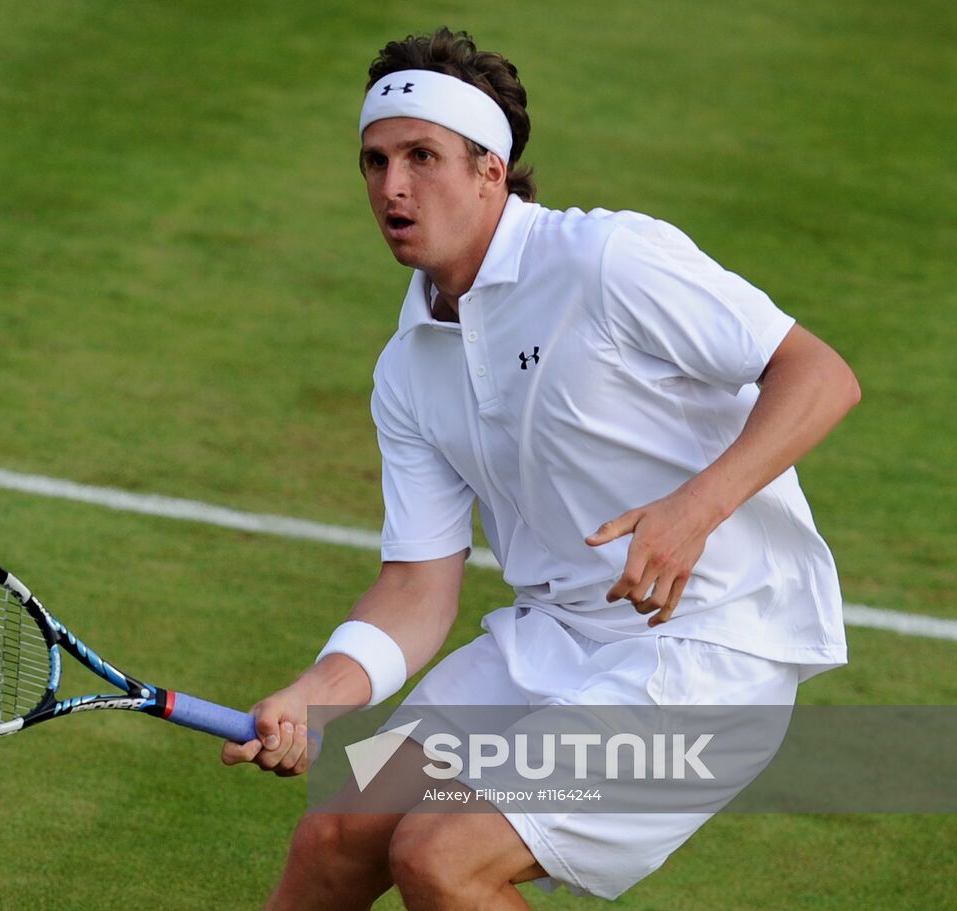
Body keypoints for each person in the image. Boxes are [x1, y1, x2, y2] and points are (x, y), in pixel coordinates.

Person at [220, 26, 862, 910]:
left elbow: (821, 375)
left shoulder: (607, 260)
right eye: (374, 161)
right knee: (338, 831)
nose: (392, 187)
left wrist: (693, 509)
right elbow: (416, 589)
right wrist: (317, 692)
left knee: (442, 855)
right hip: (555, 642)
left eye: (422, 157)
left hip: (714, 650)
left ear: (492, 169)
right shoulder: (408, 367)